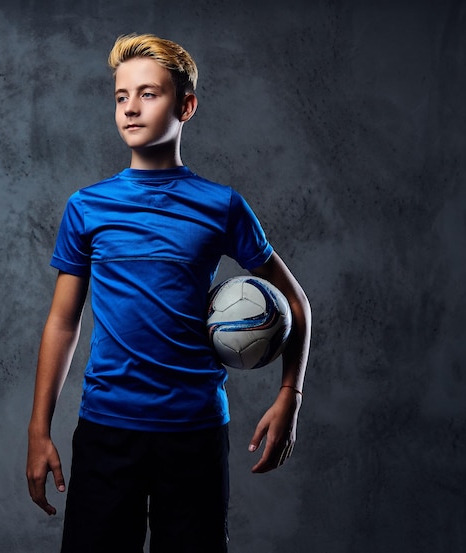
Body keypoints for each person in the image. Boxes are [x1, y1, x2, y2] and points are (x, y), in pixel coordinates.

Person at [26, 33, 312, 553]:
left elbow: (296, 304)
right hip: (107, 430)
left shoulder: (220, 206)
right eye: (121, 96)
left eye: (149, 94)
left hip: (194, 432)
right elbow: (63, 322)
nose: (131, 107)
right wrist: (38, 429)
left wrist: (289, 397)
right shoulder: (87, 208)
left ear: (186, 105)